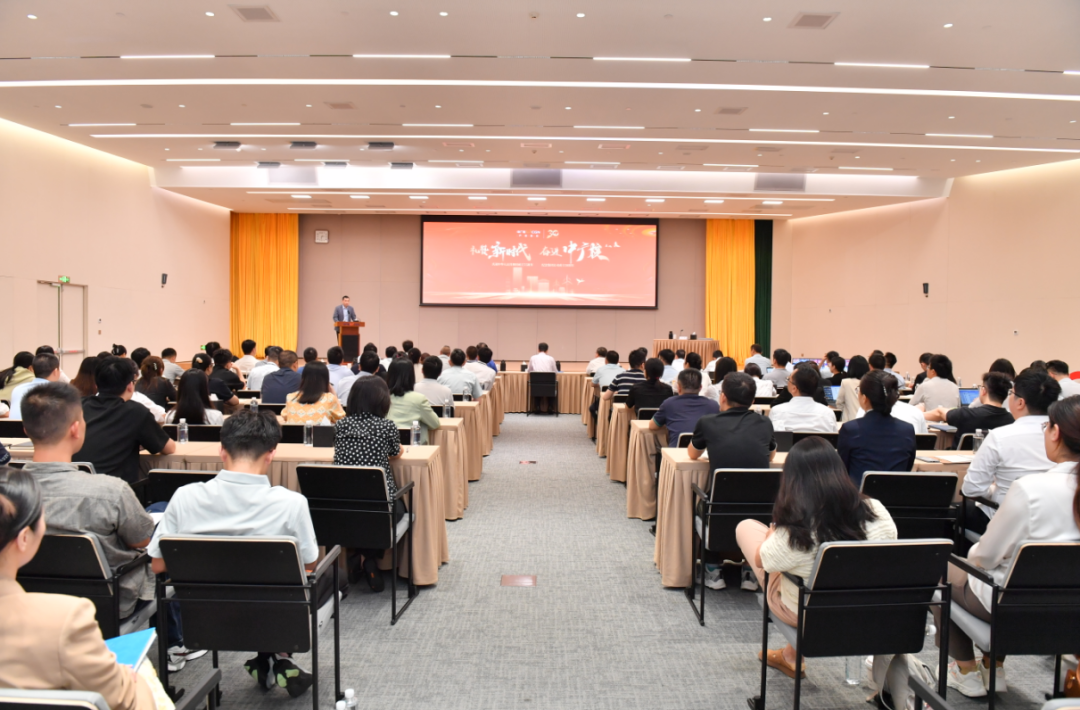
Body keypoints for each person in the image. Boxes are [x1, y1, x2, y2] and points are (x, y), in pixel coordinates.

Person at [17, 382, 203, 670]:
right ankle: (175, 646)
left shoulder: (8, 492)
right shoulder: (109, 491)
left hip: (26, 599)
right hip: (110, 601)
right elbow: (142, 541)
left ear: (26, 430)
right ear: (76, 429)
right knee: (164, 536)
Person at [148, 410, 319, 697]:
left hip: (205, 622)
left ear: (221, 450)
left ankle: (268, 659)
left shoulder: (185, 497)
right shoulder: (292, 503)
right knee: (333, 579)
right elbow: (309, 564)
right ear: (271, 454)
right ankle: (278, 654)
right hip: (276, 618)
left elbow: (158, 565)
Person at [933, 395, 1080, 698]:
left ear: (1056, 433)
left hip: (1013, 608)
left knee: (942, 570)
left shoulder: (1031, 489)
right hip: (1070, 613)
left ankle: (966, 670)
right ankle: (992, 665)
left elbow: (985, 556)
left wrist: (974, 559)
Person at [736, 438, 897, 678]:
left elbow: (762, 560)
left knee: (747, 529)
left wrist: (771, 535)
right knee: (807, 568)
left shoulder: (797, 525)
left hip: (807, 612)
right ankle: (791, 656)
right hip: (866, 607)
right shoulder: (875, 508)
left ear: (792, 479)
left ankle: (792, 656)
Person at [0, 466, 158, 710]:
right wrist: (134, 681)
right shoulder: (65, 619)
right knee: (143, 674)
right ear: (23, 539)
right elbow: (122, 700)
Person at [688, 371, 776, 590]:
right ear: (752, 401)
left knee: (704, 503)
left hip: (718, 514)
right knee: (752, 504)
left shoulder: (708, 422)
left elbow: (692, 454)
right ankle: (750, 570)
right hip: (760, 513)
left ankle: (712, 569)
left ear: (723, 397)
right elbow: (771, 455)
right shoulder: (764, 423)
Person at [961, 368, 1059, 533]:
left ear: (1020, 403)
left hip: (1006, 520)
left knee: (957, 510)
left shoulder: (1000, 436)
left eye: (1011, 393)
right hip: (1055, 522)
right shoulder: (1064, 436)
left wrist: (994, 489)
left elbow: (971, 489)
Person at [334, 376, 404, 593]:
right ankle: (369, 559)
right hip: (381, 505)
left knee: (361, 515)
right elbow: (396, 452)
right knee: (394, 510)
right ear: (382, 401)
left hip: (344, 504)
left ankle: (359, 556)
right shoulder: (386, 426)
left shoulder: (341, 425)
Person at [74, 358, 175, 484]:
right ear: (130, 386)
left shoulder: (77, 406)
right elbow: (168, 448)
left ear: (96, 384)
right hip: (117, 490)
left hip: (74, 485)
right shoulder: (136, 411)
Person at [838, 370, 916, 487]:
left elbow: (842, 470)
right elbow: (907, 468)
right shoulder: (907, 430)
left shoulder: (850, 429)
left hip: (859, 496)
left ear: (864, 398)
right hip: (896, 495)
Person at [924, 371, 1014, 448]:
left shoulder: (966, 414)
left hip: (960, 461)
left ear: (983, 391)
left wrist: (918, 414)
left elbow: (940, 412)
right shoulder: (1012, 420)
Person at [652, 369, 720, 448]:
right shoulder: (713, 405)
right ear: (700, 387)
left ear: (678, 387)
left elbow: (653, 426)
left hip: (675, 453)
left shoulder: (669, 403)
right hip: (705, 453)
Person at [386, 359, 441, 444]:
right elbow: (435, 424)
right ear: (411, 376)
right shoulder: (419, 399)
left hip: (387, 447)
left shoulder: (382, 398)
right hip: (414, 446)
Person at [768, 367, 836, 433]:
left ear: (794, 388)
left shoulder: (777, 412)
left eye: (788, 379)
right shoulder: (828, 413)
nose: (787, 382)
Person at [8, 353, 62, 419]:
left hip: (12, 425)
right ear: (55, 371)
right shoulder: (57, 392)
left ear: (32, 370)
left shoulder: (17, 389)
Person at [835, 355, 870, 422]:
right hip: (866, 420)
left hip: (849, 420)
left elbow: (839, 403)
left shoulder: (846, 382)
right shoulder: (870, 382)